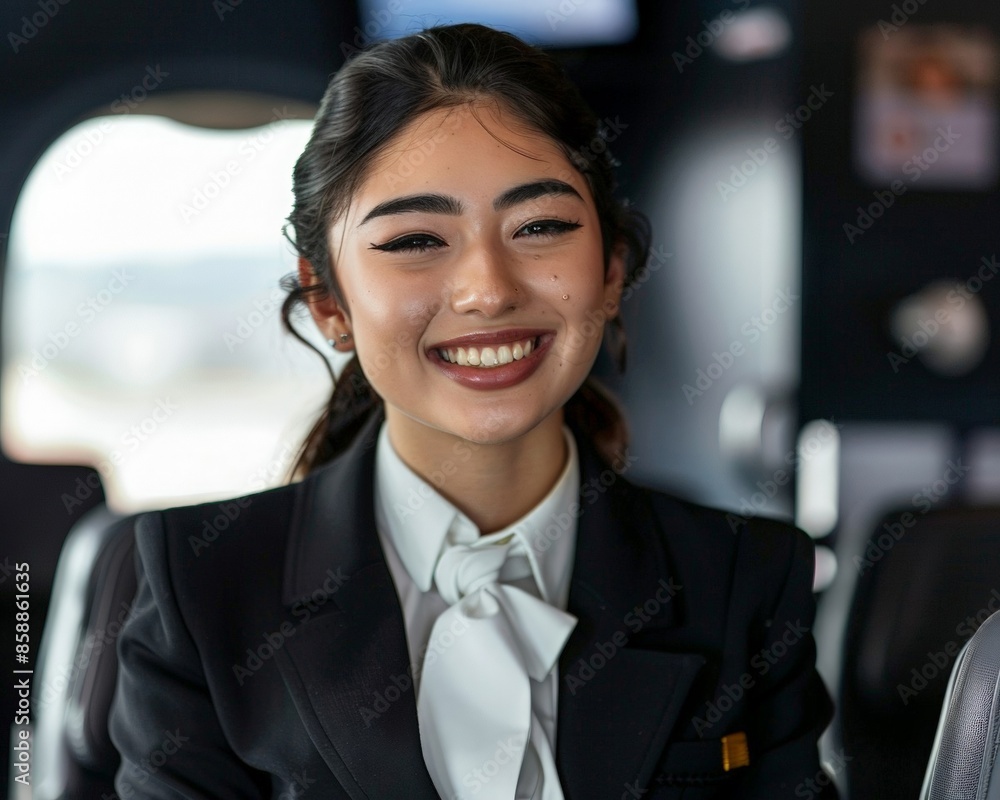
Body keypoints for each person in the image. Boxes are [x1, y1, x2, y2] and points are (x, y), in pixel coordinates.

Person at [109, 22, 837, 799]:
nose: (487, 289)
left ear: (612, 269)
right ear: (328, 300)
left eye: (541, 227)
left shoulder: (743, 578)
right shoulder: (205, 585)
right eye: (417, 239)